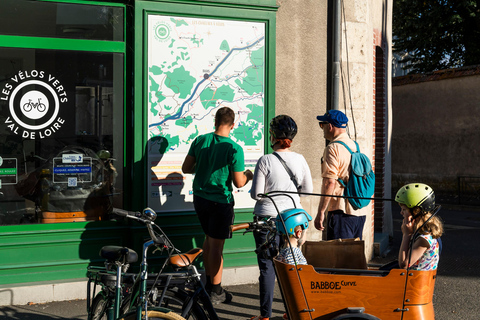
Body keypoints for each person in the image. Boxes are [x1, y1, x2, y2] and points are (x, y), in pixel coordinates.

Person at [182, 107, 254, 304]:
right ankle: (216, 291)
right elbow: (239, 183)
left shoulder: (200, 140)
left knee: (208, 240)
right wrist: (249, 174)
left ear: (215, 121)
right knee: (216, 247)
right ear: (232, 125)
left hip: (200, 199)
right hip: (220, 202)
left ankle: (208, 285)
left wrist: (203, 167)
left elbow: (186, 168)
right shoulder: (234, 148)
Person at [249, 115, 313, 320]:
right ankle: (290, 312)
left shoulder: (266, 160)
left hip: (266, 220)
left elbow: (256, 194)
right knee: (290, 266)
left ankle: (265, 316)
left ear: (273, 136)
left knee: (267, 267)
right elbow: (307, 191)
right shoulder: (300, 159)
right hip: (292, 221)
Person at [313, 110, 366, 240]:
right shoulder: (355, 146)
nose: (323, 129)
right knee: (353, 256)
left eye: (322, 125)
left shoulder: (333, 148)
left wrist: (321, 212)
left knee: (338, 257)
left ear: (330, 126)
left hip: (341, 211)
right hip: (358, 212)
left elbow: (329, 182)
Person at [395, 183, 443, 270]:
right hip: (412, 280)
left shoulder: (423, 239)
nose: (401, 213)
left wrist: (406, 235)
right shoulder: (422, 232)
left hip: (413, 281)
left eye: (404, 209)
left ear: (416, 211)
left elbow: (404, 265)